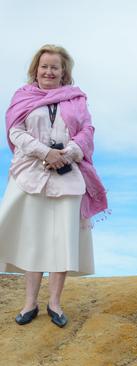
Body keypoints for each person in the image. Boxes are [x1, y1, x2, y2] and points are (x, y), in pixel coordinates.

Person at [0, 44, 107, 328]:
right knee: (33, 239)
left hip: (69, 174)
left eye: (54, 67)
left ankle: (55, 304)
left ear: (64, 72)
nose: (49, 71)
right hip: (29, 174)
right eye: (44, 66)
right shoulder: (22, 96)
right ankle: (29, 303)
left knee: (63, 239)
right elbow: (15, 131)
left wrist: (68, 152)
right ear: (36, 69)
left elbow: (87, 131)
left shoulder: (77, 100)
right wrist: (44, 152)